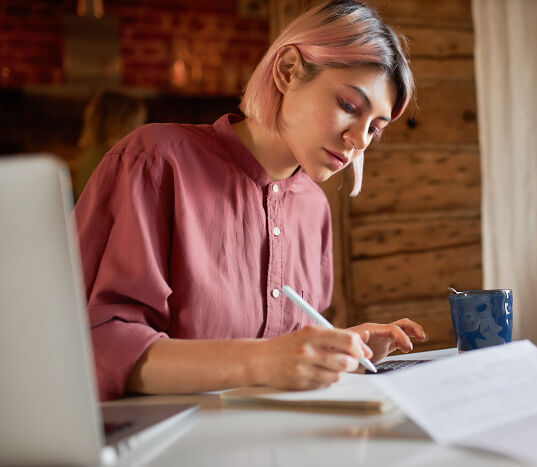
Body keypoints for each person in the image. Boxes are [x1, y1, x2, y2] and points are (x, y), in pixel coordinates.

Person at [74, 0, 426, 401]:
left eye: (375, 130)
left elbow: (280, 350)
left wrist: (338, 347)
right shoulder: (154, 161)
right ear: (288, 70)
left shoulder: (314, 209)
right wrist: (260, 361)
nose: (359, 140)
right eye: (349, 106)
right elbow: (97, 344)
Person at [72, 90, 147, 200]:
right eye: (139, 122)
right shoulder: (103, 161)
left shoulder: (95, 158)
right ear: (121, 124)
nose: (142, 128)